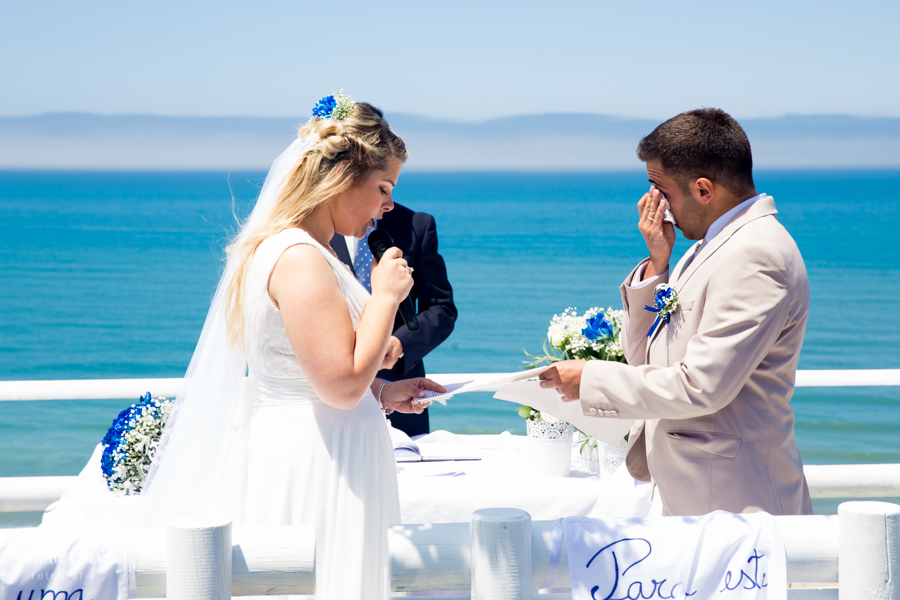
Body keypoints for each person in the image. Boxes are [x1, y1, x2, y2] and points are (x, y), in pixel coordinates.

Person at [43, 96, 447, 600]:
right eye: (383, 188)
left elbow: (313, 370)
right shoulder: (299, 257)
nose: (388, 205)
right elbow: (339, 388)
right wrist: (385, 298)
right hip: (320, 461)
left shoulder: (299, 249)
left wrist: (382, 393)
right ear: (342, 177)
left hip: (330, 447)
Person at [539, 108, 813, 517]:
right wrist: (657, 263)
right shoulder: (710, 245)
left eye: (661, 191)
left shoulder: (755, 254)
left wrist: (591, 379)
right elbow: (644, 358)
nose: (656, 206)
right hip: (695, 496)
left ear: (703, 190)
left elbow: (701, 385)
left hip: (735, 503)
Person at [331, 203, 457, 436]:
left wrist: (400, 343)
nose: (388, 202)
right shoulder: (318, 228)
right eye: (382, 188)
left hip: (401, 391)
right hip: (332, 391)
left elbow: (441, 308)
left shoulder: (416, 224)